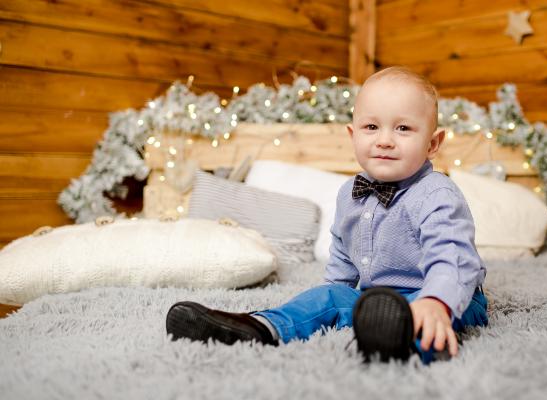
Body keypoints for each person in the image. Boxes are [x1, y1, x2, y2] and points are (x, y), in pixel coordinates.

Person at [166, 66, 488, 364]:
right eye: (371, 127)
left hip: (445, 293)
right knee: (327, 296)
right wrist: (332, 296)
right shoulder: (350, 192)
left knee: (428, 318)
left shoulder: (436, 193)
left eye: (403, 128)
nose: (384, 140)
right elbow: (343, 251)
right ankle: (259, 327)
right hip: (374, 301)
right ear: (352, 135)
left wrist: (437, 301)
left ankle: (400, 345)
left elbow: (453, 258)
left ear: (432, 144)